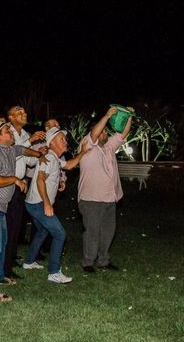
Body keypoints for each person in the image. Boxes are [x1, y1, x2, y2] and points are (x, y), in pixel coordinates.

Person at [0, 119, 45, 302]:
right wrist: (14, 179)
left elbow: (22, 150)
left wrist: (38, 154)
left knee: (2, 242)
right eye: (7, 131)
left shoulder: (9, 149)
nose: (11, 133)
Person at [23, 127, 85, 284]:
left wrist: (83, 152)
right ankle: (54, 272)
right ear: (52, 143)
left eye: (65, 139)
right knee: (60, 234)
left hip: (33, 203)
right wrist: (47, 204)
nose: (65, 141)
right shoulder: (49, 158)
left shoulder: (55, 159)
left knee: (42, 231)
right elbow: (39, 180)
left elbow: (70, 165)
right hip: (38, 204)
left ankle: (29, 262)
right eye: (61, 139)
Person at [77, 106, 134, 273]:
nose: (105, 134)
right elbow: (94, 134)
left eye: (105, 132)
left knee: (108, 232)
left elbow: (122, 134)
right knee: (92, 232)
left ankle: (103, 260)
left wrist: (129, 116)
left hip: (110, 198)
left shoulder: (108, 148)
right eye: (103, 132)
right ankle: (88, 262)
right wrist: (107, 115)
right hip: (91, 199)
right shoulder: (87, 145)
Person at [4, 105, 45, 279]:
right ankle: (4, 266)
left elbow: (28, 161)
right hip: (7, 185)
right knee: (8, 227)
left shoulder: (25, 134)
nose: (24, 114)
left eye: (24, 112)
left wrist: (38, 154)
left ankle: (9, 263)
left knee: (15, 227)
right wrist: (31, 143)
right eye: (19, 113)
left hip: (20, 185)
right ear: (11, 117)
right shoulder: (8, 132)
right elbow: (12, 152)